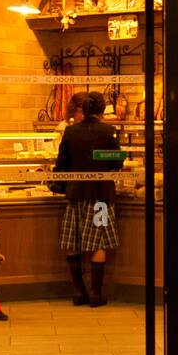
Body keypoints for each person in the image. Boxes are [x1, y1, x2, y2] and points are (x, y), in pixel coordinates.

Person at [54, 91, 124, 307]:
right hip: (101, 196)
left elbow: (62, 164)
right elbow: (117, 163)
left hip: (76, 195)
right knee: (98, 242)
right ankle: (95, 294)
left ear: (83, 109)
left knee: (73, 241)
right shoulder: (109, 131)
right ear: (103, 110)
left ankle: (79, 292)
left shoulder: (71, 132)